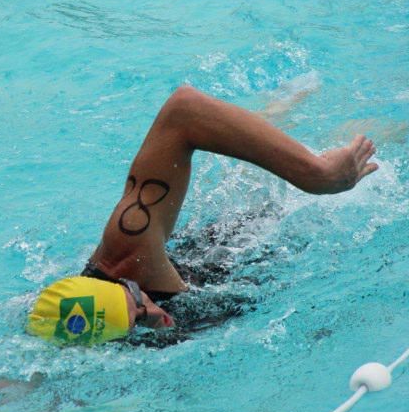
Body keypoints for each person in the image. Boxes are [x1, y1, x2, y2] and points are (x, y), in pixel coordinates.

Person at [27, 84, 378, 346]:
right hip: (203, 286)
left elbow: (184, 111)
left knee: (305, 192)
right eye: (138, 320)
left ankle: (289, 121)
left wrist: (318, 175)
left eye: (136, 299)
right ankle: (269, 118)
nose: (154, 314)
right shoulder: (70, 346)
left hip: (225, 259)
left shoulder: (131, 253)